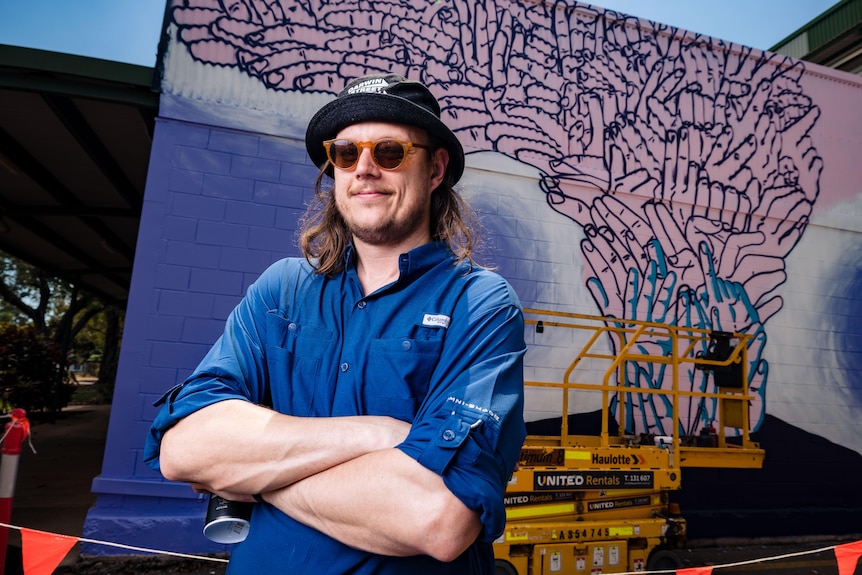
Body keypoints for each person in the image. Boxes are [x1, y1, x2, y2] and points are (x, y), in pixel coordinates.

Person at [144, 73, 527, 574]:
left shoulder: (480, 303)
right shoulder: (281, 290)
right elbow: (184, 450)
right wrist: (377, 435)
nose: (364, 169)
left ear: (435, 169)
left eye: (389, 151)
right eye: (345, 153)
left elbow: (437, 517)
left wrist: (249, 472)